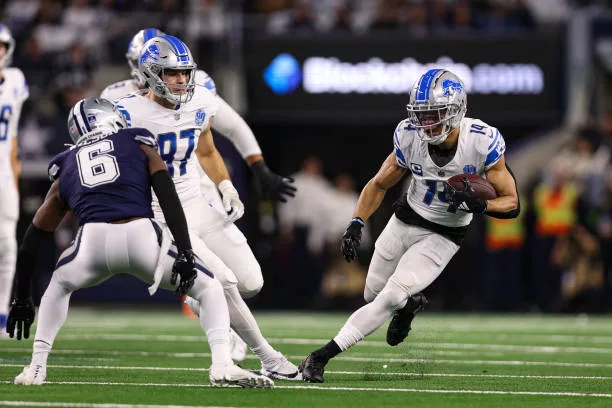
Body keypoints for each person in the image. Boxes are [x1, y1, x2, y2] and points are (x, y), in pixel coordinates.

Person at [6, 97, 273, 388]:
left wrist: (21, 298)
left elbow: (33, 238)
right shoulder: (136, 140)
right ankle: (222, 364)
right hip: (140, 236)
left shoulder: (67, 162)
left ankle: (36, 367)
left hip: (92, 243)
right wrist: (185, 251)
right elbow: (167, 194)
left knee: (58, 286)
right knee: (210, 287)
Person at [299, 69, 520, 383]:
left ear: (456, 111)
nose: (427, 123)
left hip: (445, 232)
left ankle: (320, 357)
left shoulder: (481, 141)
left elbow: (512, 202)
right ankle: (409, 305)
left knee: (388, 296)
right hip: (405, 219)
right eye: (423, 115)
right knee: (372, 294)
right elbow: (378, 184)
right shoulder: (409, 135)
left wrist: (483, 205)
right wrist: (356, 222)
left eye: (435, 114)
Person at [102, 28, 296, 362]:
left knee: (251, 282)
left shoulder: (201, 97)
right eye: (170, 73)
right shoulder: (122, 108)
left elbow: (208, 150)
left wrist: (226, 186)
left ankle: (197, 297)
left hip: (197, 201)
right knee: (223, 283)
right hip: (161, 212)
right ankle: (269, 358)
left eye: (183, 72)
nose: (179, 80)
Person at [0, 23, 29, 336]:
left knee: (8, 244)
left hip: (4, 172)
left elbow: (15, 134)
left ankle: (1, 314)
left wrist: (14, 170)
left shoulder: (16, 80)